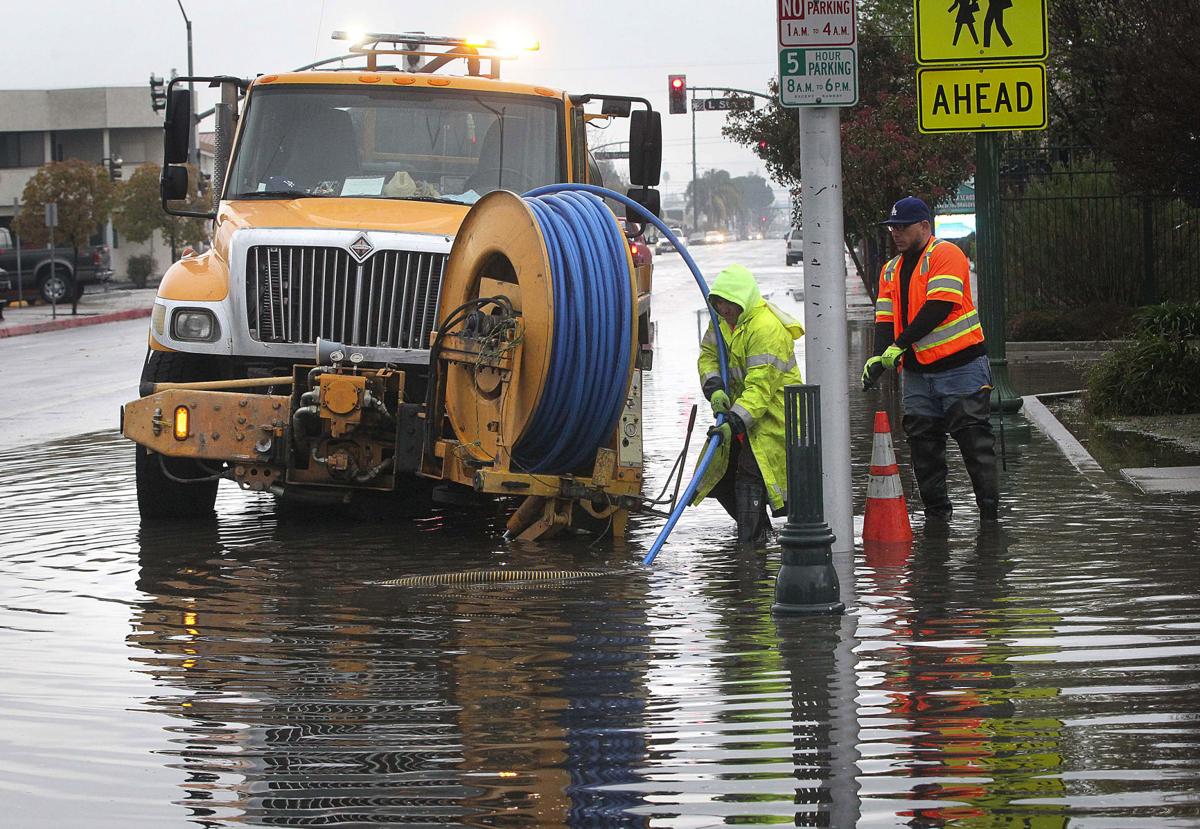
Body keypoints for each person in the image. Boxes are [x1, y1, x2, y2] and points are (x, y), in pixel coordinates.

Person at [862, 196, 999, 524]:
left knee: (973, 444)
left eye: (902, 227)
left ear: (924, 226)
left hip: (961, 367)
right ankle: (937, 520)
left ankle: (990, 519)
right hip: (918, 374)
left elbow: (938, 307)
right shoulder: (890, 270)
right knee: (924, 449)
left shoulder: (947, 254)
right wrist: (879, 359)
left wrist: (899, 345)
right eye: (892, 227)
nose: (895, 233)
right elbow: (885, 318)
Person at [694, 264, 804, 546]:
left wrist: (735, 420)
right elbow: (708, 356)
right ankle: (760, 533)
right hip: (739, 417)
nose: (724, 309)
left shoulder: (765, 329)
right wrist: (715, 388)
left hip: (773, 419)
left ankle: (752, 548)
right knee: (716, 476)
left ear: (743, 300)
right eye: (719, 303)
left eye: (729, 304)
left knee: (749, 477)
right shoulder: (719, 323)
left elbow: (760, 389)